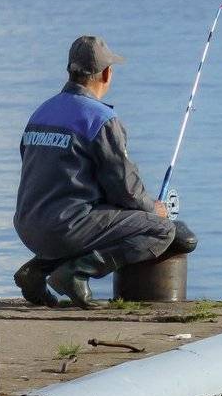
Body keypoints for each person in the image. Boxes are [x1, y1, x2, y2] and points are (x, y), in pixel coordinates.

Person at [13, 36, 198, 308]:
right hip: (64, 229)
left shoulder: (41, 112)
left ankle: (37, 270)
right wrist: (155, 209)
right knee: (162, 230)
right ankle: (77, 273)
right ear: (107, 73)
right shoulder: (101, 119)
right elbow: (126, 189)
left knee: (89, 216)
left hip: (27, 225)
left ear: (70, 70)